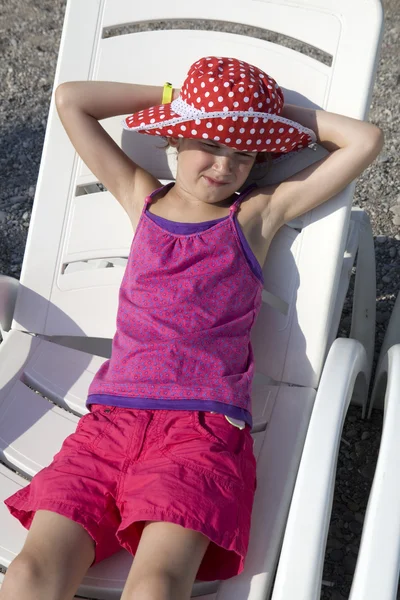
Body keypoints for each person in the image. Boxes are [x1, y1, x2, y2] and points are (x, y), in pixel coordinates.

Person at [1, 56, 383, 600]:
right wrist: (174, 95)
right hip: (110, 421)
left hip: (200, 431)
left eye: (244, 151)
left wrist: (265, 114)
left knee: (156, 585)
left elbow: (365, 140)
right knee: (27, 574)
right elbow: (71, 100)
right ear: (174, 141)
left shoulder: (256, 215)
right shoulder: (141, 195)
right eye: (210, 142)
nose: (226, 164)